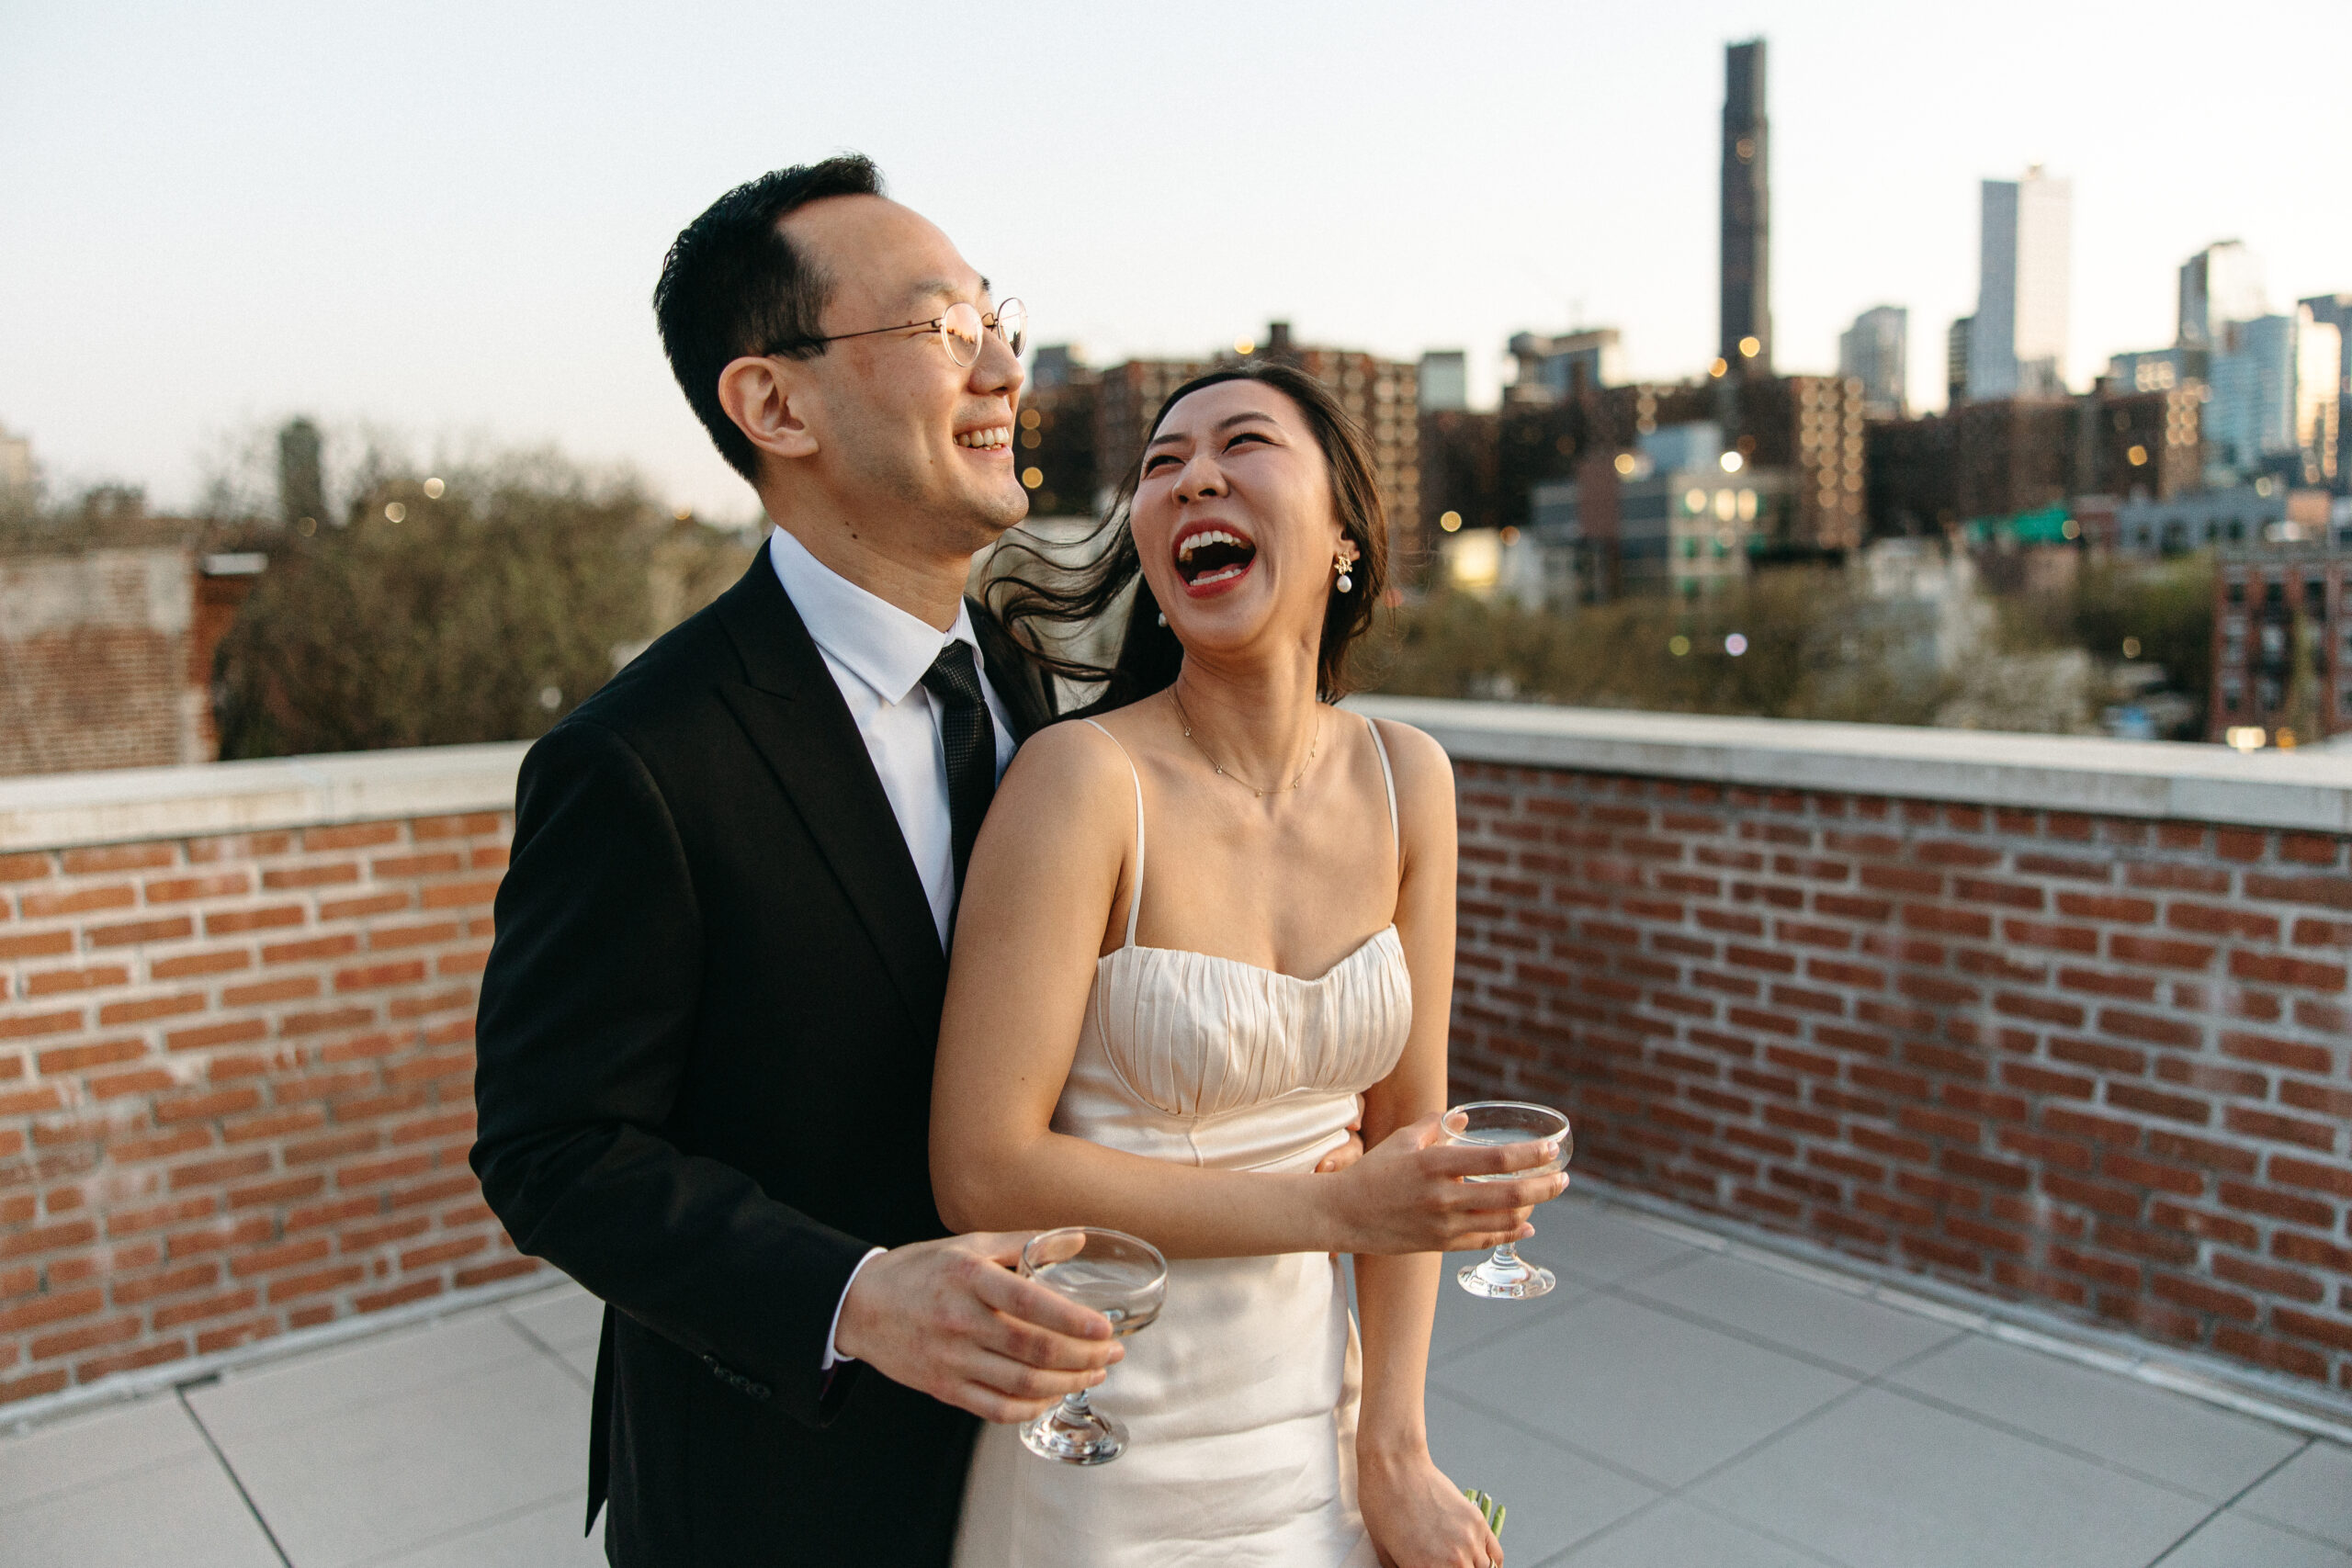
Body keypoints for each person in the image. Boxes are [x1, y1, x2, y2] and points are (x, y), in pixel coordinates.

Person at [469, 158, 1550, 1568]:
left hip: (1118, 1426)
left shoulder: (1041, 701)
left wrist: (1385, 1430)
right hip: (794, 1485)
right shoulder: (641, 761)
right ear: (774, 404)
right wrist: (856, 1294)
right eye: (941, 331)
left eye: (1001, 325)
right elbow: (552, 1152)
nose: (1003, 373)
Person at [933, 361, 1568, 1568]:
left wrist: (1394, 1445)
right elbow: (982, 1168)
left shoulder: (1409, 782)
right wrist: (1333, 1207)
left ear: (1344, 533)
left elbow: (1409, 1132)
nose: (1195, 478)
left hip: (1312, 1435)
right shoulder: (1081, 783)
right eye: (1161, 467)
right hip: (1104, 1437)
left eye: (1242, 446)